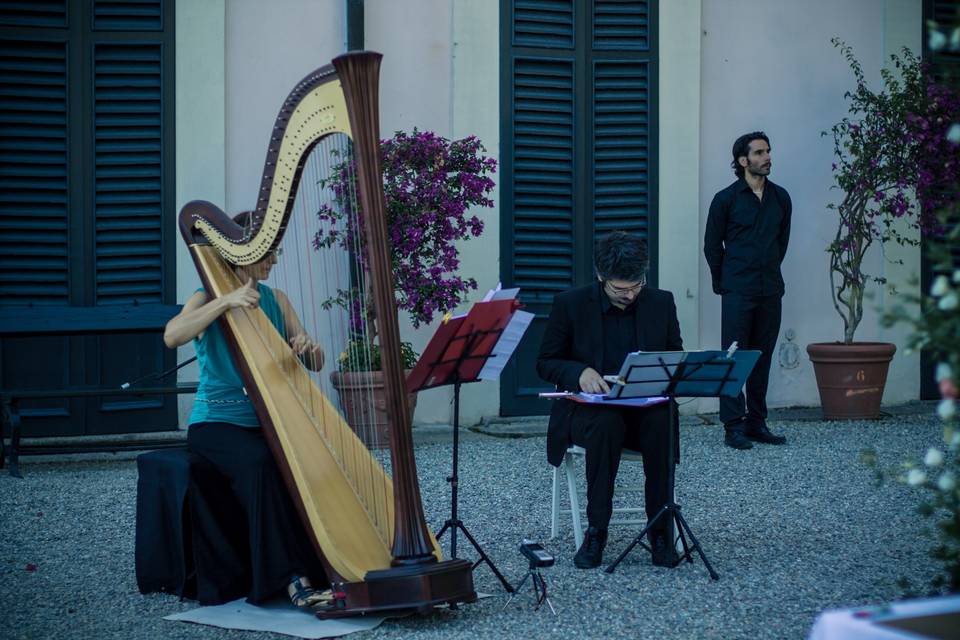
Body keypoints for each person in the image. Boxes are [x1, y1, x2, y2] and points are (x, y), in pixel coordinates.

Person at [163, 212, 329, 610]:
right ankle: (293, 579)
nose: (273, 261)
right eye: (267, 254)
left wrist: (309, 347)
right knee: (261, 464)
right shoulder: (205, 297)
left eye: (274, 252)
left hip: (271, 420)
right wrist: (225, 302)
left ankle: (330, 562)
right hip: (216, 424)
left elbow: (317, 362)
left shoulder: (277, 300)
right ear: (241, 254)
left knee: (308, 463)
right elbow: (172, 336)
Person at [537, 231, 682, 569]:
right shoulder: (570, 304)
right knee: (606, 424)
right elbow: (545, 362)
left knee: (663, 423)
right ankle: (596, 530)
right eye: (620, 289)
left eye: (636, 286)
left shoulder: (661, 302)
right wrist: (580, 372)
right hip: (589, 413)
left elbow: (675, 356)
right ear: (601, 277)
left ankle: (660, 529)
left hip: (644, 410)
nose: (630, 295)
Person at [704, 131, 791, 450]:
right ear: (743, 160)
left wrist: (768, 269)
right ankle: (733, 426)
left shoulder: (781, 198)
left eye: (768, 151)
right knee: (734, 356)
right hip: (738, 289)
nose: (767, 157)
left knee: (761, 356)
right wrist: (724, 282)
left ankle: (757, 422)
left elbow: (781, 242)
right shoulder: (725, 199)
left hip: (770, 288)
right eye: (759, 153)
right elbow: (712, 246)